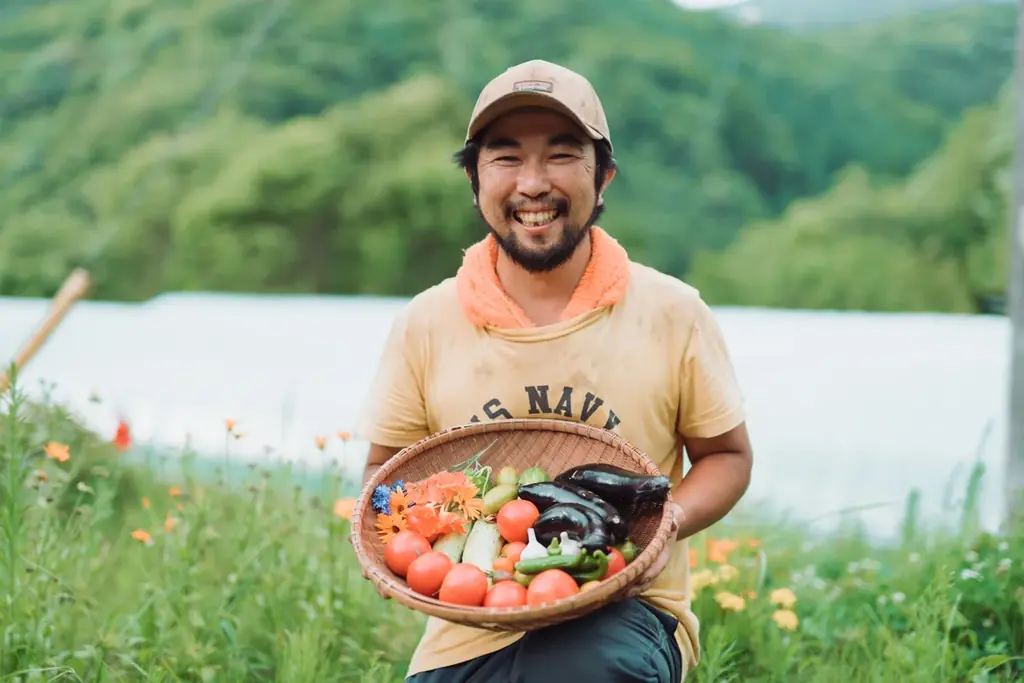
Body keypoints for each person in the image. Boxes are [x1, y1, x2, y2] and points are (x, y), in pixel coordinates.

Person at [359, 59, 754, 683]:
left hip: (625, 614)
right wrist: (391, 544)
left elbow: (727, 457)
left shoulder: (673, 312)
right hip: (467, 626)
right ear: (474, 180)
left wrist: (670, 520)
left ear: (604, 178)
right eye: (506, 158)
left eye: (562, 155)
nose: (533, 184)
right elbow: (384, 475)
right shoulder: (427, 322)